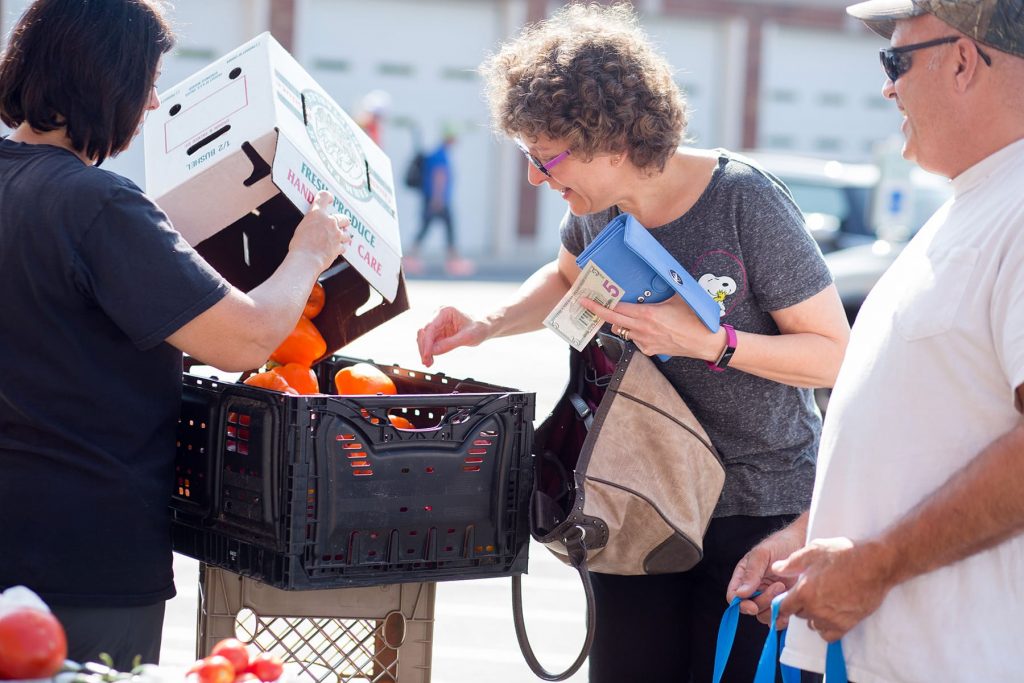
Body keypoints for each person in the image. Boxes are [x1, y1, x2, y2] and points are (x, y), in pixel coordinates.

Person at [415, 4, 850, 681]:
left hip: (757, 507)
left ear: (612, 143)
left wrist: (713, 342)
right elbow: (565, 281)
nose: (535, 177)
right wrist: (487, 323)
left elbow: (833, 352)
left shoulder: (744, 203)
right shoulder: (595, 208)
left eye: (544, 157)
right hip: (640, 500)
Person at [0, 0, 350, 669]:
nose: (154, 104)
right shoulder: (99, 204)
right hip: (87, 561)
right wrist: (307, 252)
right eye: (148, 81)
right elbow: (246, 340)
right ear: (107, 79)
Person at [726, 1, 1024, 681]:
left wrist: (876, 564)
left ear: (962, 60)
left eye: (896, 61)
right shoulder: (975, 203)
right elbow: (931, 429)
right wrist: (809, 535)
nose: (887, 87)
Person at [403, 126, 475, 277]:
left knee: (427, 228)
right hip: (438, 199)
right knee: (446, 228)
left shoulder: (437, 153)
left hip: (434, 198)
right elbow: (439, 177)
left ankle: (412, 258)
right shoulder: (440, 155)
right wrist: (437, 199)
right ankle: (453, 261)